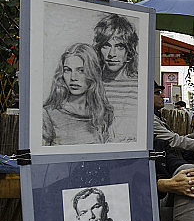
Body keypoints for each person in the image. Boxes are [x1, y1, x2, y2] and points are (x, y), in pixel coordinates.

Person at [43, 42, 114, 145]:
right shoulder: (48, 114)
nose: (73, 78)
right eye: (68, 70)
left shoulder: (103, 113)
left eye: (81, 70)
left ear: (93, 73)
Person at [93, 14, 138, 142]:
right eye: (106, 46)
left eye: (119, 46)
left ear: (129, 50)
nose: (112, 54)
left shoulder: (139, 86)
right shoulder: (93, 84)